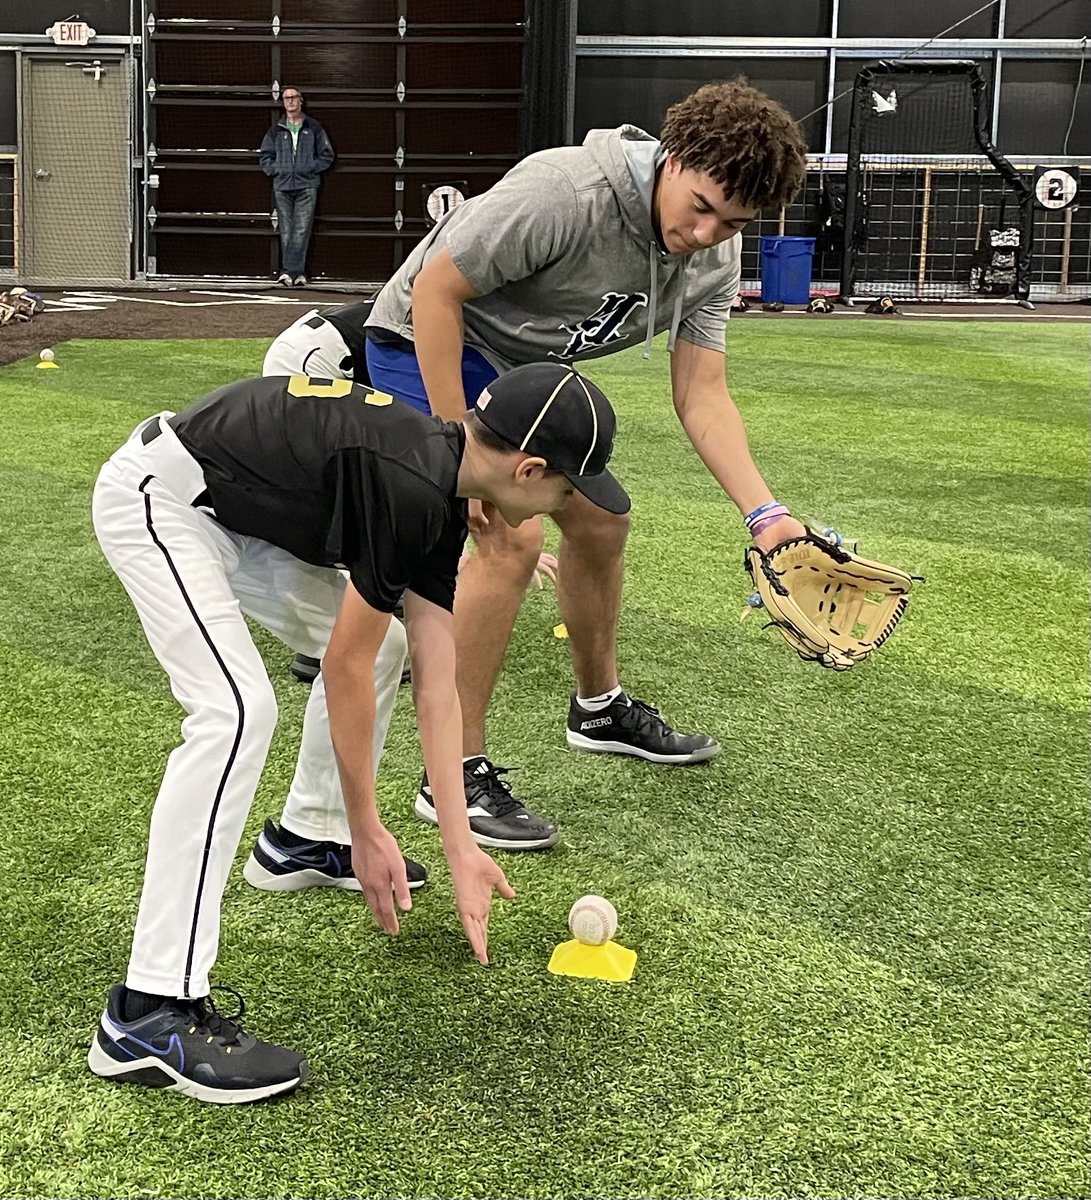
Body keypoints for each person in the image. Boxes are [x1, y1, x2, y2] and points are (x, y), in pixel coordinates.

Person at [87, 364, 627, 1105]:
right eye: (566, 489)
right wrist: (372, 828)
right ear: (527, 469)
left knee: (395, 649)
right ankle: (150, 1011)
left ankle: (303, 839)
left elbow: (437, 676)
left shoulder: (438, 484)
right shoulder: (410, 484)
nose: (565, 505)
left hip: (234, 512)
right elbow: (341, 667)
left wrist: (459, 845)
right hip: (163, 500)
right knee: (236, 712)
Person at [355, 80, 810, 847]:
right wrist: (447, 446)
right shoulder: (564, 191)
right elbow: (436, 291)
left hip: (527, 373)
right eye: (699, 206)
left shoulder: (715, 254)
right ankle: (451, 774)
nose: (706, 233)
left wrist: (766, 516)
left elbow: (701, 393)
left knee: (601, 517)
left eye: (731, 222)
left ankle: (598, 710)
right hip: (428, 341)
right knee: (509, 535)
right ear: (671, 160)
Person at [259, 86, 334, 287]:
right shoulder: (275, 130)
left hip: (307, 185)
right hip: (282, 185)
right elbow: (265, 156)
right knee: (286, 229)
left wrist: (309, 168)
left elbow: (327, 155)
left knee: (301, 229)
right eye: (286, 98)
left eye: (294, 97)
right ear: (283, 102)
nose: (290, 101)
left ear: (301, 101)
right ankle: (294, 273)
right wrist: (277, 169)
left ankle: (291, 272)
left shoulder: (314, 127)